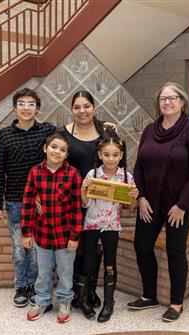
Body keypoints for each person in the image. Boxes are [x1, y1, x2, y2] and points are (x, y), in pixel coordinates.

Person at [128, 82, 189, 322]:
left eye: (173, 98)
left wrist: (182, 204)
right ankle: (149, 295)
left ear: (182, 103)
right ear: (158, 104)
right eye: (163, 99)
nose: (168, 102)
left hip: (178, 207)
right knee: (142, 246)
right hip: (149, 203)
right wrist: (140, 196)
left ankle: (176, 303)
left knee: (175, 252)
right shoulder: (150, 130)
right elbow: (139, 166)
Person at [0, 88, 55, 308]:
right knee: (19, 247)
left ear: (37, 108)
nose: (26, 107)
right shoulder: (4, 135)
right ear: (14, 108)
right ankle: (21, 285)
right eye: (21, 103)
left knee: (38, 249)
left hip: (41, 202)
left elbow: (66, 148)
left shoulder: (48, 131)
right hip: (15, 200)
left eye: (31, 104)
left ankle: (38, 287)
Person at [22, 132, 83, 323]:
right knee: (43, 271)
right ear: (45, 148)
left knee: (66, 272)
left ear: (66, 155)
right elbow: (28, 203)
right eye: (54, 147)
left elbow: (77, 208)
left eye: (63, 149)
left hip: (65, 235)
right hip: (42, 234)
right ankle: (42, 300)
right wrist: (26, 232)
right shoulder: (35, 172)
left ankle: (65, 301)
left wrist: (75, 236)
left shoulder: (73, 174)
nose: (57, 151)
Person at [57, 90, 110, 310]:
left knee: (95, 248)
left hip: (99, 202)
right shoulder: (62, 134)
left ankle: (89, 290)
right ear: (71, 110)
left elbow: (118, 160)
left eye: (86, 106)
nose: (82, 111)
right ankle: (75, 292)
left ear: (94, 108)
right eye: (77, 107)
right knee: (75, 247)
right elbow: (53, 162)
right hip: (70, 201)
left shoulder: (105, 133)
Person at [79, 128, 139, 322]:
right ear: (99, 155)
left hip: (111, 226)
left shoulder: (126, 178)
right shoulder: (93, 174)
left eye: (115, 155)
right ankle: (84, 299)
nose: (111, 159)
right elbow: (85, 203)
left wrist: (134, 197)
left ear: (121, 155)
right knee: (88, 262)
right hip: (91, 225)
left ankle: (108, 303)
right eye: (106, 155)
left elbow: (130, 207)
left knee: (110, 263)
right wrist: (83, 188)